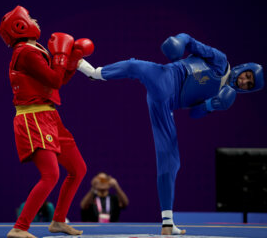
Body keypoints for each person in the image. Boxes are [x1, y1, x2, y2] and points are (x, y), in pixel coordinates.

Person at [77, 33, 264, 235]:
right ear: (243, 68)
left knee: (170, 160)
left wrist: (213, 104)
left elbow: (194, 113)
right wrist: (179, 42)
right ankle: (94, 72)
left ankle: (167, 223)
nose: (244, 81)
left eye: (249, 85)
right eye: (247, 76)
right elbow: (190, 41)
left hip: (165, 106)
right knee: (135, 66)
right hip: (166, 77)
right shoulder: (220, 60)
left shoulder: (224, 96)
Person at [0, 6, 94, 238]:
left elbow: (56, 82)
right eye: (29, 18)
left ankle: (58, 221)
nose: (35, 20)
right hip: (34, 117)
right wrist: (62, 57)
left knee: (78, 169)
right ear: (20, 26)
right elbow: (54, 79)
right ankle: (19, 228)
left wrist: (70, 62)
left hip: (49, 116)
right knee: (50, 175)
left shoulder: (34, 49)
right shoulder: (25, 52)